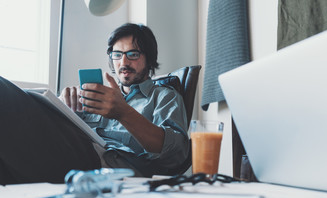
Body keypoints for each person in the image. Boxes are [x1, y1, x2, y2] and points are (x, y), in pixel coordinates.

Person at [0, 23, 189, 185]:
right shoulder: (99, 95)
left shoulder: (164, 96)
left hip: (106, 164)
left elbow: (176, 155)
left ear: (149, 58)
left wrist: (123, 113)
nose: (123, 62)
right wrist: (65, 109)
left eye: (133, 54)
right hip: (69, 149)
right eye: (117, 54)